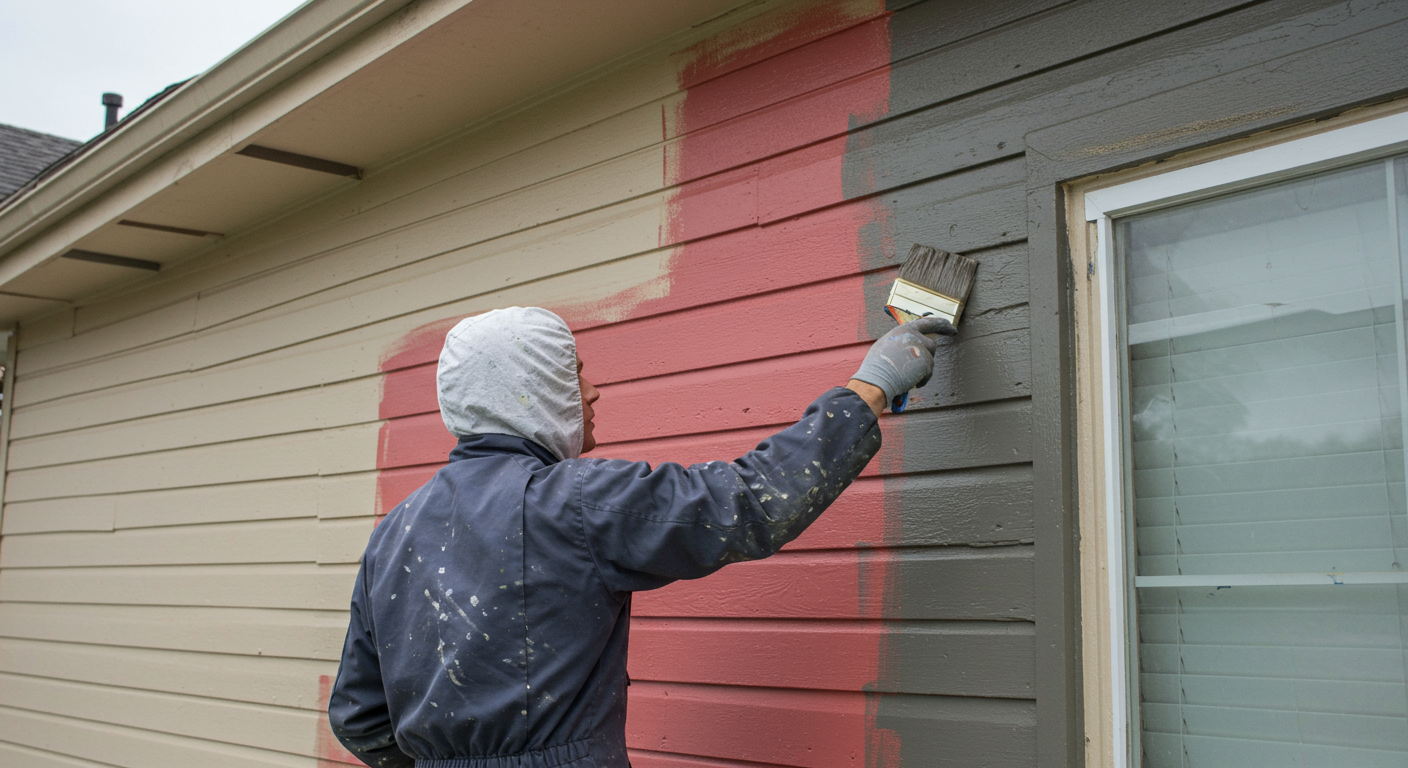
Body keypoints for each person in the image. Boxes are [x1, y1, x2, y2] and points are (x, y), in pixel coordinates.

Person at [329, 306, 954, 768]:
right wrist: (868, 388)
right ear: (533, 388)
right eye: (575, 373)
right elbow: (748, 502)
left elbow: (358, 719)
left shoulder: (393, 533)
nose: (594, 391)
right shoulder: (569, 500)